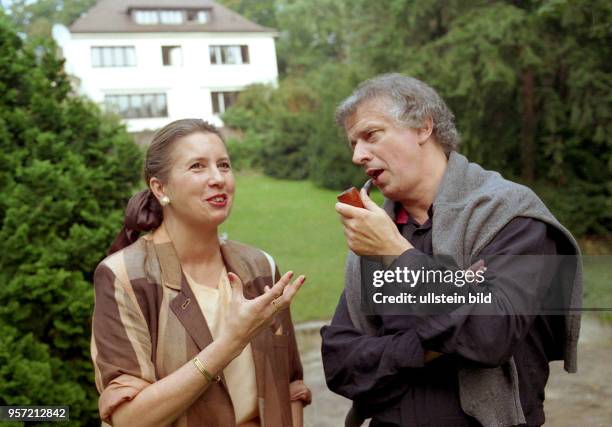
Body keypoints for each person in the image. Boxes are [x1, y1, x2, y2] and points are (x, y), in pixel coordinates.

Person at [321, 74, 582, 427]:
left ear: (423, 127)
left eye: (371, 135)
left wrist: (398, 257)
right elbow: (341, 365)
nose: (357, 155)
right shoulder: (377, 230)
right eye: (353, 143)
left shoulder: (509, 215)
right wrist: (427, 345)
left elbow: (490, 336)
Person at [92, 119, 311, 427]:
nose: (217, 178)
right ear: (160, 188)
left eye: (224, 165)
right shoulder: (124, 276)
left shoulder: (260, 267)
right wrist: (230, 342)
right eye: (197, 166)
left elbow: (290, 387)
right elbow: (128, 418)